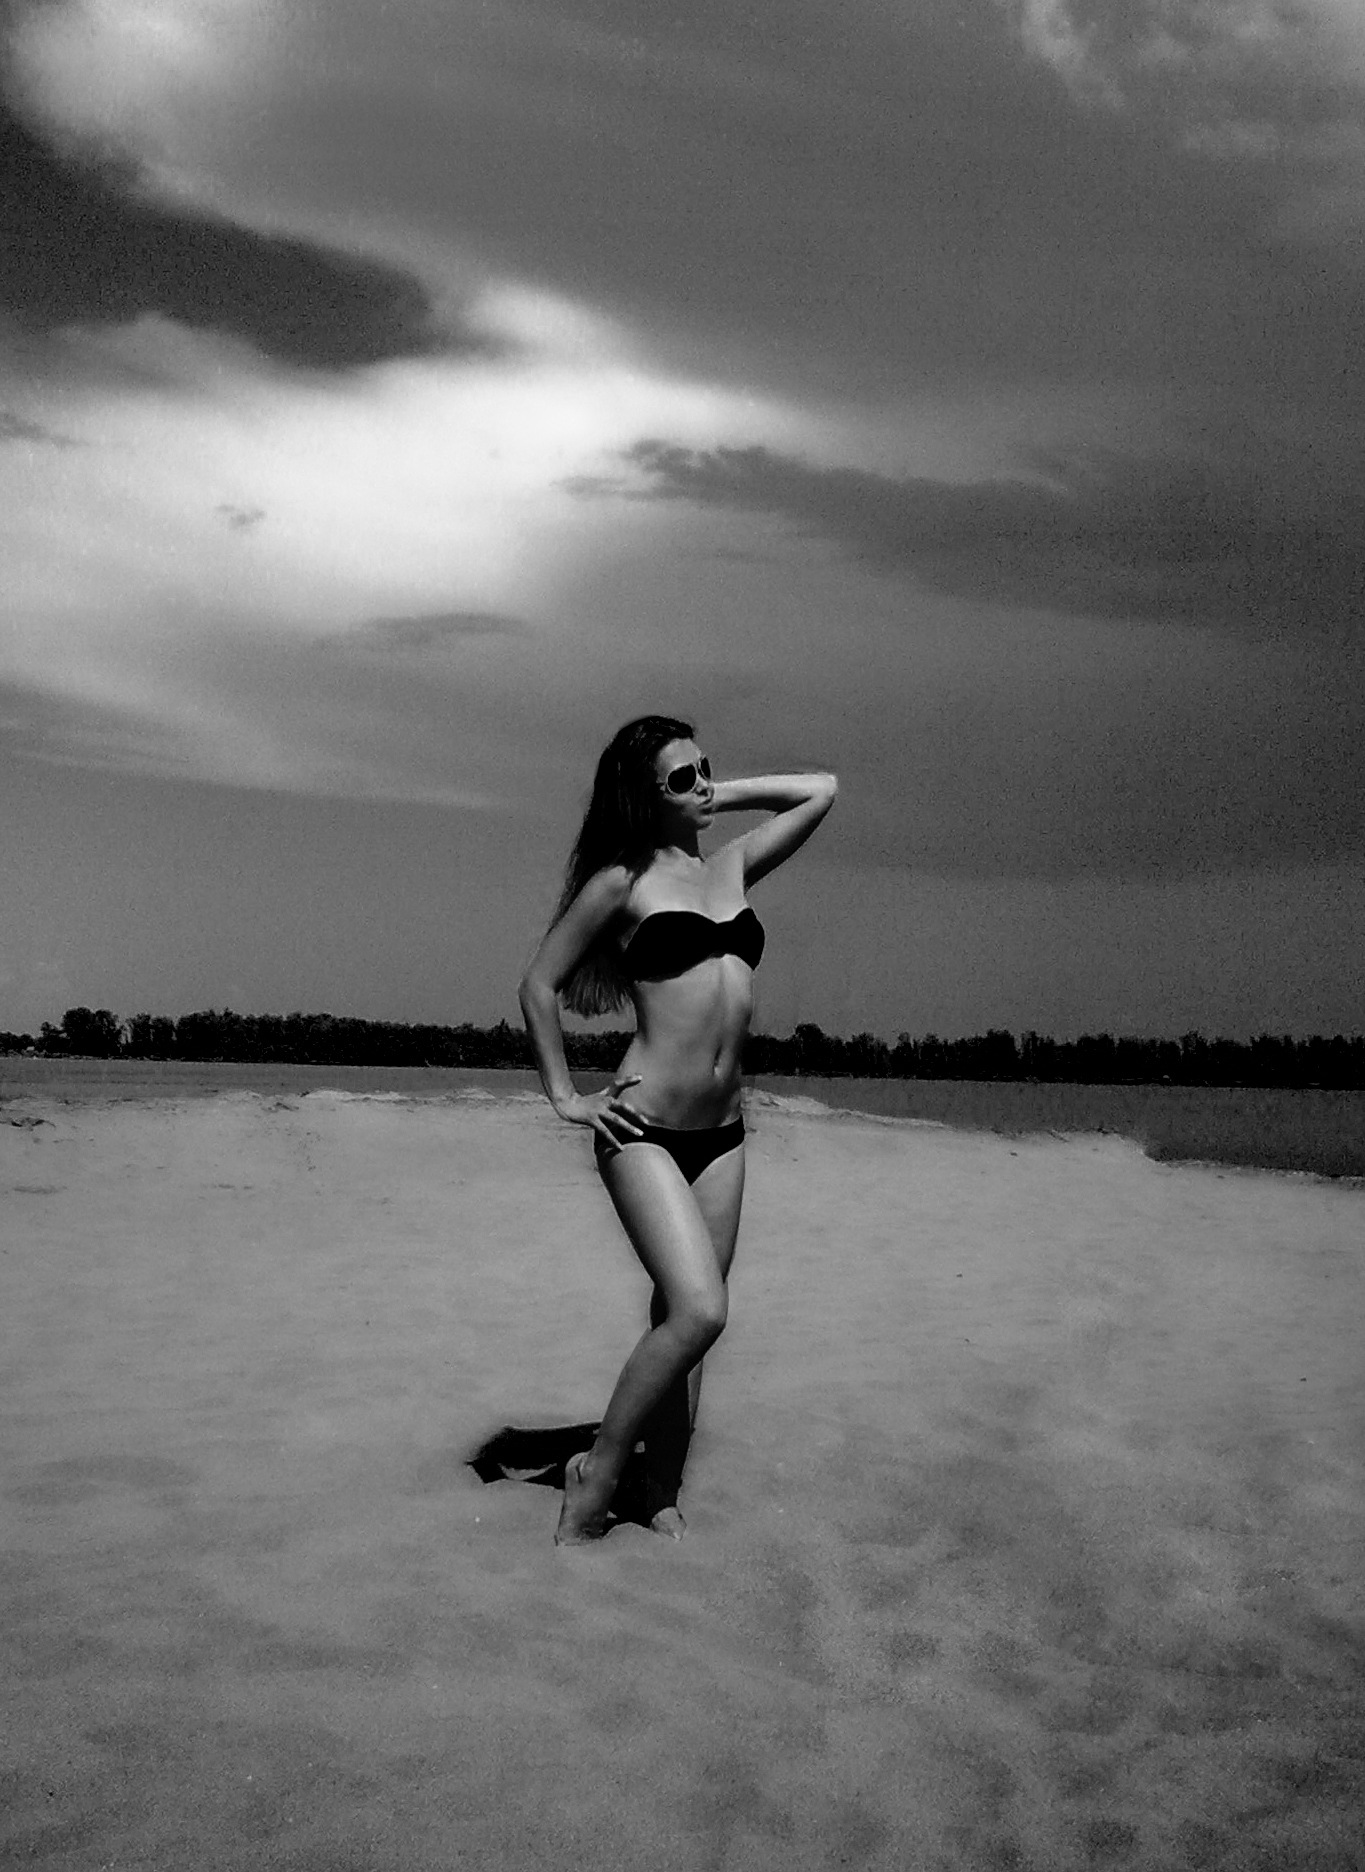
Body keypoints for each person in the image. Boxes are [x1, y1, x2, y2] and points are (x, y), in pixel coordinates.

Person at [518, 715, 837, 1544]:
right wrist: (567, 1097)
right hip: (644, 1128)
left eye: (706, 769)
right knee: (699, 1311)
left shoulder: (730, 864)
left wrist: (711, 795)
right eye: (682, 779)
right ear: (643, 796)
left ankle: (657, 1487)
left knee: (682, 1319)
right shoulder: (620, 883)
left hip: (723, 1135)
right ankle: (597, 1473)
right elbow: (539, 985)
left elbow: (820, 791)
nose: (703, 786)